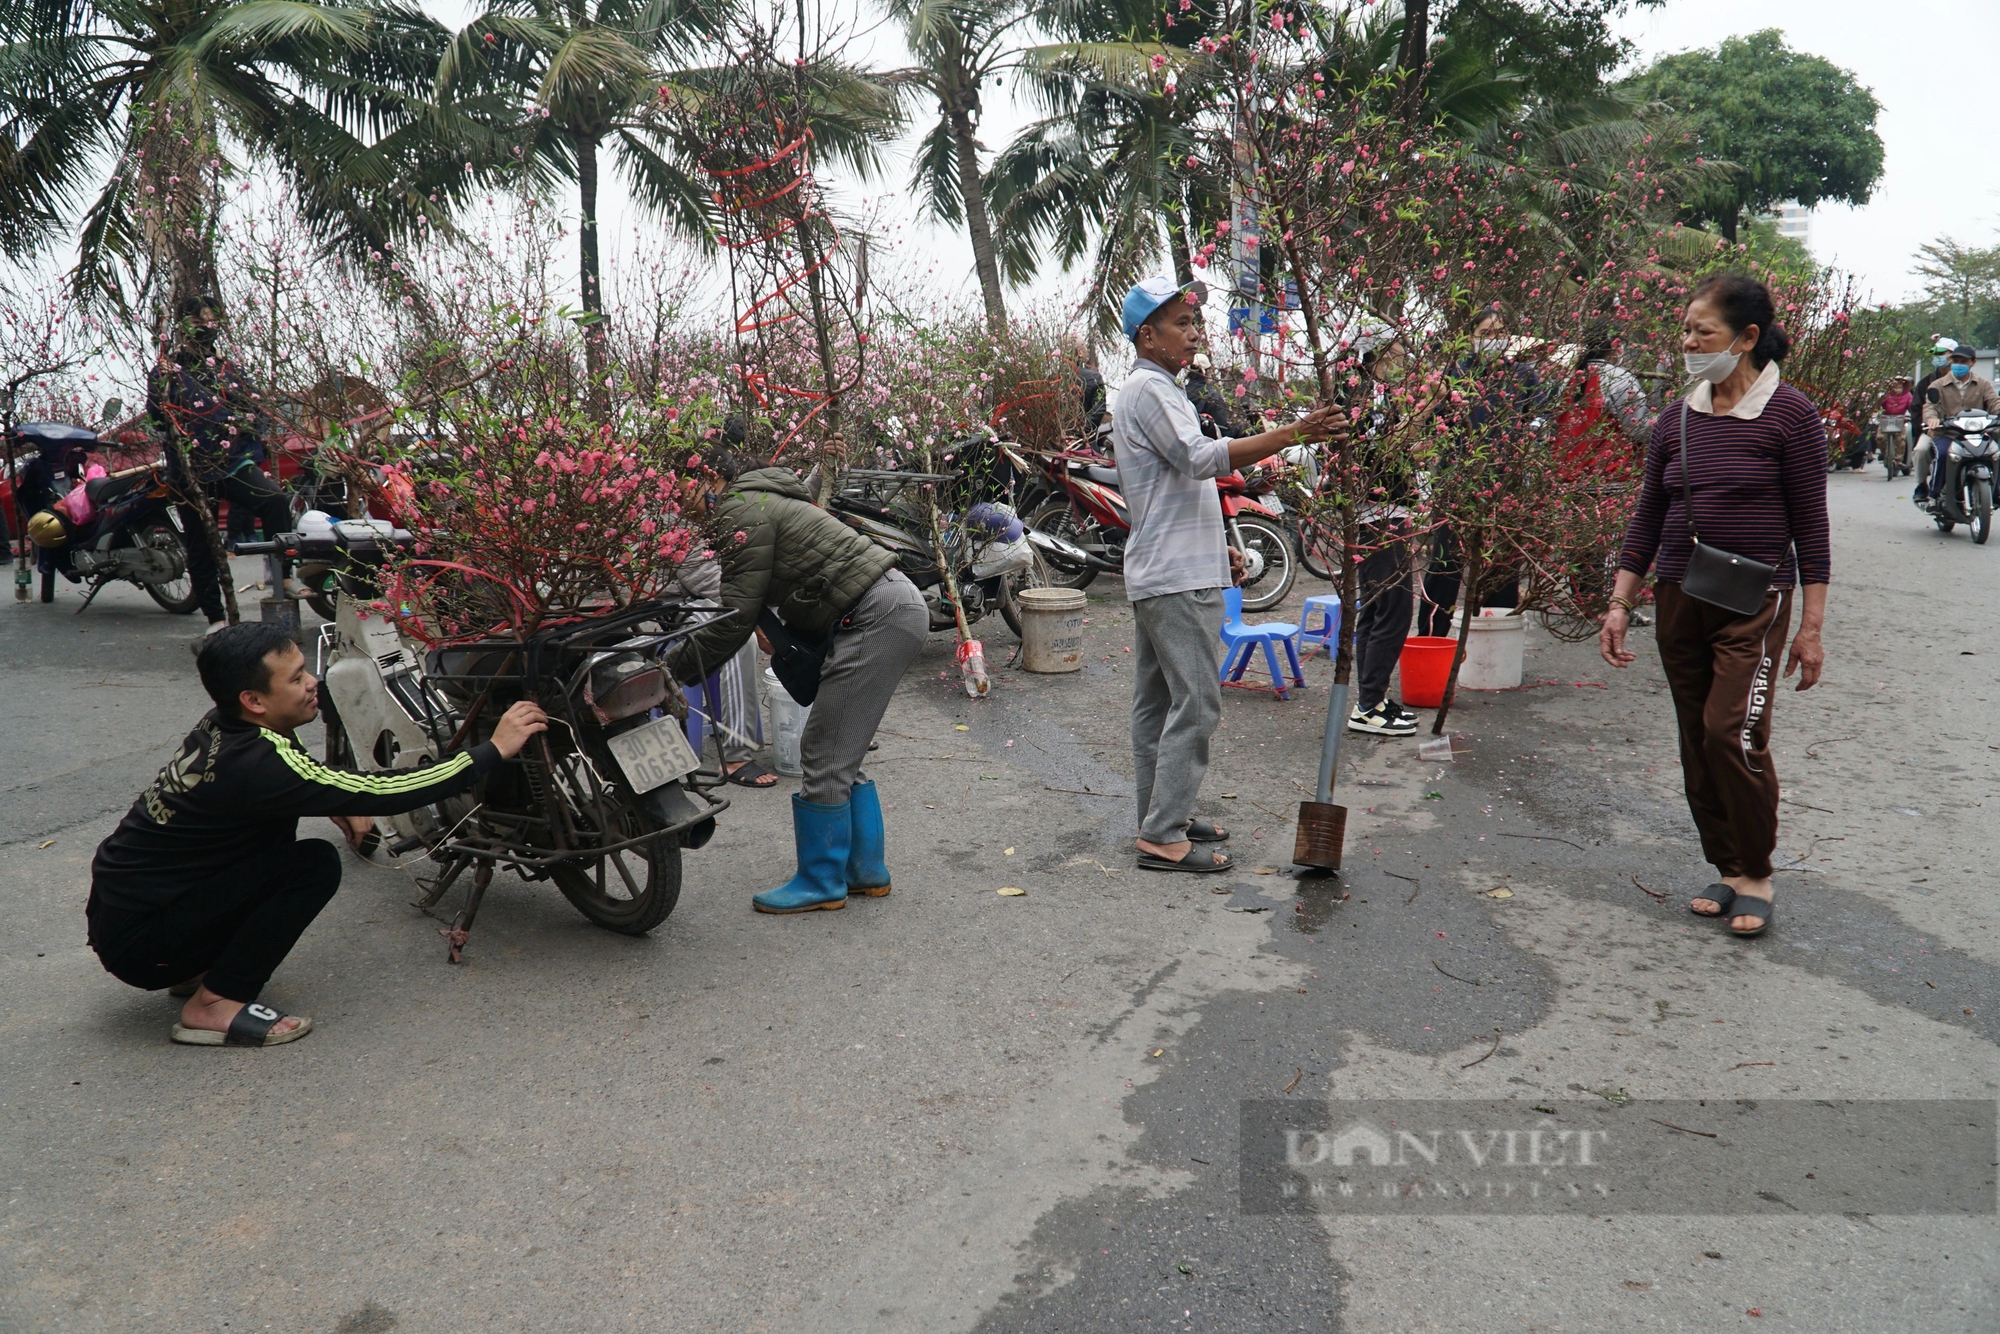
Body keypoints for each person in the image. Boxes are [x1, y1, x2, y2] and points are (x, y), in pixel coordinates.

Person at [86, 623, 549, 1045]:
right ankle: (212, 1004)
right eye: (295, 678)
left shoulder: (224, 725)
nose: (312, 683)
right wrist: (492, 751)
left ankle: (200, 967)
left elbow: (282, 788)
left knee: (276, 849)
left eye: (306, 670)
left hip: (127, 917)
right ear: (253, 700)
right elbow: (382, 790)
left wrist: (328, 801)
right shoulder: (259, 763)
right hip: (145, 944)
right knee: (312, 866)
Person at [1601, 274, 1830, 939]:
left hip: (1755, 599)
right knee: (1696, 736)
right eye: (1686, 329)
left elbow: (1811, 529)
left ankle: (1756, 871)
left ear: (1748, 337)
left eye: (1703, 331)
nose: (1689, 342)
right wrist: (1620, 601)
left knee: (1732, 731)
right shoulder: (1676, 419)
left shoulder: (1791, 415)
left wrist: (1809, 628)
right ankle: (1726, 866)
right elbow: (1647, 516)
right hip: (1680, 593)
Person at [1112, 276, 1342, 873]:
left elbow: (1178, 485)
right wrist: (1291, 434)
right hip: (1175, 576)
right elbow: (1200, 458)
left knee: (1157, 703)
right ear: (1147, 334)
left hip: (1169, 566)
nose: (1194, 333)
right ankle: (1163, 834)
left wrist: (1222, 548)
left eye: (1194, 322)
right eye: (1181, 324)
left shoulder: (1156, 389)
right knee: (1197, 703)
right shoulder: (1151, 389)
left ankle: (1162, 815)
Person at [663, 450, 928, 913]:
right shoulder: (760, 499)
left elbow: (733, 619)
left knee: (824, 749)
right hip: (889, 607)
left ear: (707, 476)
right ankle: (865, 872)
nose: (670, 497)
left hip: (875, 614)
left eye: (674, 484)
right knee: (840, 747)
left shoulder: (738, 511)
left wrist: (670, 672)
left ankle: (821, 880)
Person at [146, 295, 301, 634]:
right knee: (201, 546)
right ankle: (216, 619)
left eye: (210, 322)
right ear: (183, 326)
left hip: (231, 464)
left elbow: (255, 411)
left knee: (275, 501)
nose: (205, 329)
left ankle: (282, 575)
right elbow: (158, 419)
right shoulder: (166, 370)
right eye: (198, 322)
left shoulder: (229, 370)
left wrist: (241, 424)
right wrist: (164, 384)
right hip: (189, 471)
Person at [1421, 305, 1542, 634]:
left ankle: (1492, 636)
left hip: (1505, 485)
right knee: (1445, 563)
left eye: (1499, 333)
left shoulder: (1523, 374)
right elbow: (1434, 425)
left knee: (1501, 565)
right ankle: (1434, 637)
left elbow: (1541, 414)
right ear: (1470, 339)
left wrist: (1532, 436)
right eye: (1485, 334)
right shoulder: (1455, 375)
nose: (1493, 340)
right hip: (1457, 482)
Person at [1342, 332, 1424, 736]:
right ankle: (1368, 706)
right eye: (1397, 352)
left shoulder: (1368, 393)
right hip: (1379, 514)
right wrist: (1429, 408)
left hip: (1377, 511)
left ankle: (1371, 700)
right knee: (1393, 611)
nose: (1403, 359)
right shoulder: (1367, 396)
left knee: (1375, 611)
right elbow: (1390, 450)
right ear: (1374, 355)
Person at [1917, 344, 2000, 502]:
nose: (1959, 364)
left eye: (1963, 361)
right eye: (1956, 361)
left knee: (1996, 453)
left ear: (1972, 363)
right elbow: (1930, 407)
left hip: (1978, 435)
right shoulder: (1937, 385)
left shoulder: (1984, 384)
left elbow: (1994, 403)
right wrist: (1932, 419)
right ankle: (1934, 494)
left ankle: (1996, 491)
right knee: (1941, 454)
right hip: (1947, 434)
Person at [1911, 339, 1959, 501]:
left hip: (1964, 431)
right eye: (1936, 353)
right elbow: (1917, 409)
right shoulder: (1926, 382)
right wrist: (1927, 427)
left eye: (1941, 353)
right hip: (1934, 431)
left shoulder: (1971, 381)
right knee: (1921, 450)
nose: (1937, 357)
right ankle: (1921, 485)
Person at [1879, 376, 1913, 474]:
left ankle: (1898, 460)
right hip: (1886, 420)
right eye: (1895, 385)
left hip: (1900, 420)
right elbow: (1879, 406)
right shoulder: (1886, 395)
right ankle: (1884, 453)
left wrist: (1913, 414)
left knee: (1901, 439)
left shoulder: (1908, 396)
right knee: (1879, 437)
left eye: (1899, 385)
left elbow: (1911, 407)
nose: (1897, 387)